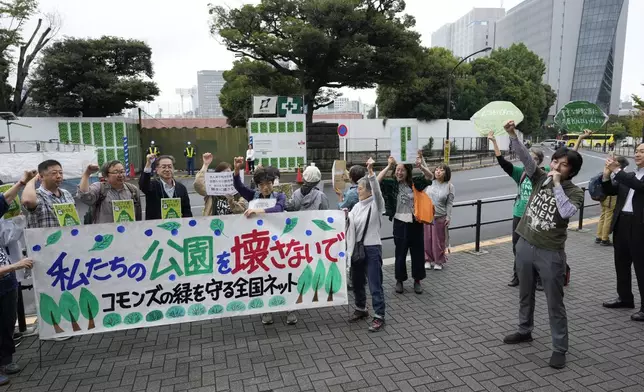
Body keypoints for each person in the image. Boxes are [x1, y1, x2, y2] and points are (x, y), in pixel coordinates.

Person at [501, 120, 584, 370]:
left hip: (550, 253)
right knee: (524, 293)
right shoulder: (539, 178)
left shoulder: (575, 191)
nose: (556, 166)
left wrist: (557, 183)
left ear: (571, 171)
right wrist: (513, 135)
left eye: (563, 164)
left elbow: (566, 210)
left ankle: (560, 348)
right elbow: (527, 159)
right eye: (555, 161)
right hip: (526, 243)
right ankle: (524, 329)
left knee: (554, 302)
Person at [489, 131, 549, 288]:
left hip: (536, 216)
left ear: (540, 162)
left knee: (537, 248)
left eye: (535, 159)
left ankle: (538, 278)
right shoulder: (519, 173)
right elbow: (502, 162)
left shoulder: (544, 174)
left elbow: (566, 163)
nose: (531, 160)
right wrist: (494, 142)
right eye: (529, 157)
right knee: (517, 248)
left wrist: (579, 140)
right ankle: (517, 275)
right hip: (519, 214)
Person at [378, 151, 433, 294]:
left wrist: (421, 166)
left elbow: (430, 177)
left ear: (408, 172)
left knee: (417, 253)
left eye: (402, 170)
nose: (399, 172)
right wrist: (389, 165)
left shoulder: (415, 183)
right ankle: (399, 280)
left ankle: (417, 280)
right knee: (400, 253)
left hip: (415, 223)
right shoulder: (391, 184)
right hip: (399, 223)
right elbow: (376, 181)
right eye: (397, 170)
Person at [601, 144, 644, 322]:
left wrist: (617, 170)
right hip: (622, 223)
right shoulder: (632, 174)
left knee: (641, 267)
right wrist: (606, 174)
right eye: (637, 150)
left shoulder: (631, 177)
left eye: (642, 151)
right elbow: (611, 190)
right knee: (621, 263)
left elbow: (639, 187)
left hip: (640, 225)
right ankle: (625, 298)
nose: (637, 154)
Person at [0, 172, 35, 382]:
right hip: (7, 273)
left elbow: (4, 200)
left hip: (7, 284)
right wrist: (15, 266)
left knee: (7, 323)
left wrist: (22, 182)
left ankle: (6, 360)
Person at [346, 158, 386, 332]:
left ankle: (379, 315)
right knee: (357, 281)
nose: (357, 190)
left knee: (374, 283)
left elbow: (377, 191)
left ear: (368, 191)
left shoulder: (376, 205)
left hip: (372, 248)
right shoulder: (356, 207)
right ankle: (361, 308)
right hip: (356, 249)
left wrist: (371, 173)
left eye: (360, 188)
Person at [77, 161, 142, 224]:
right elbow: (84, 195)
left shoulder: (133, 190)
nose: (120, 175)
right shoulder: (100, 188)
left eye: (122, 171)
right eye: (116, 172)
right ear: (105, 176)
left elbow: (138, 215)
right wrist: (87, 174)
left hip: (128, 231)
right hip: (106, 233)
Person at [22, 160, 76, 229]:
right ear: (41, 177)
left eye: (61, 173)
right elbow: (28, 201)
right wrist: (32, 180)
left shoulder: (66, 193)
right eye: (54, 173)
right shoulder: (37, 195)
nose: (59, 176)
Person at [139, 154, 192, 221]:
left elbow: (187, 211)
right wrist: (148, 163)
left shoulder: (181, 188)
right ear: (157, 170)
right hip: (156, 228)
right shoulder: (152, 186)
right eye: (163, 167)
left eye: (170, 167)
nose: (167, 169)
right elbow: (143, 185)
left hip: (177, 227)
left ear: (173, 169)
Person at [423, 163, 454, 270]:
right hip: (427, 216)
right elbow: (425, 168)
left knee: (439, 241)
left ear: (446, 173)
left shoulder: (449, 186)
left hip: (440, 216)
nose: (438, 172)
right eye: (436, 170)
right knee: (427, 239)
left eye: (441, 170)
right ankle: (427, 259)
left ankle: (439, 261)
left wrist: (448, 217)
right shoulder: (430, 182)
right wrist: (421, 158)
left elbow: (449, 203)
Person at [595, 156, 629, 246]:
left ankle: (599, 236)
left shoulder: (608, 169)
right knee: (609, 217)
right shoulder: (618, 173)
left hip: (603, 196)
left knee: (603, 215)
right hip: (611, 197)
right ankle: (605, 238)